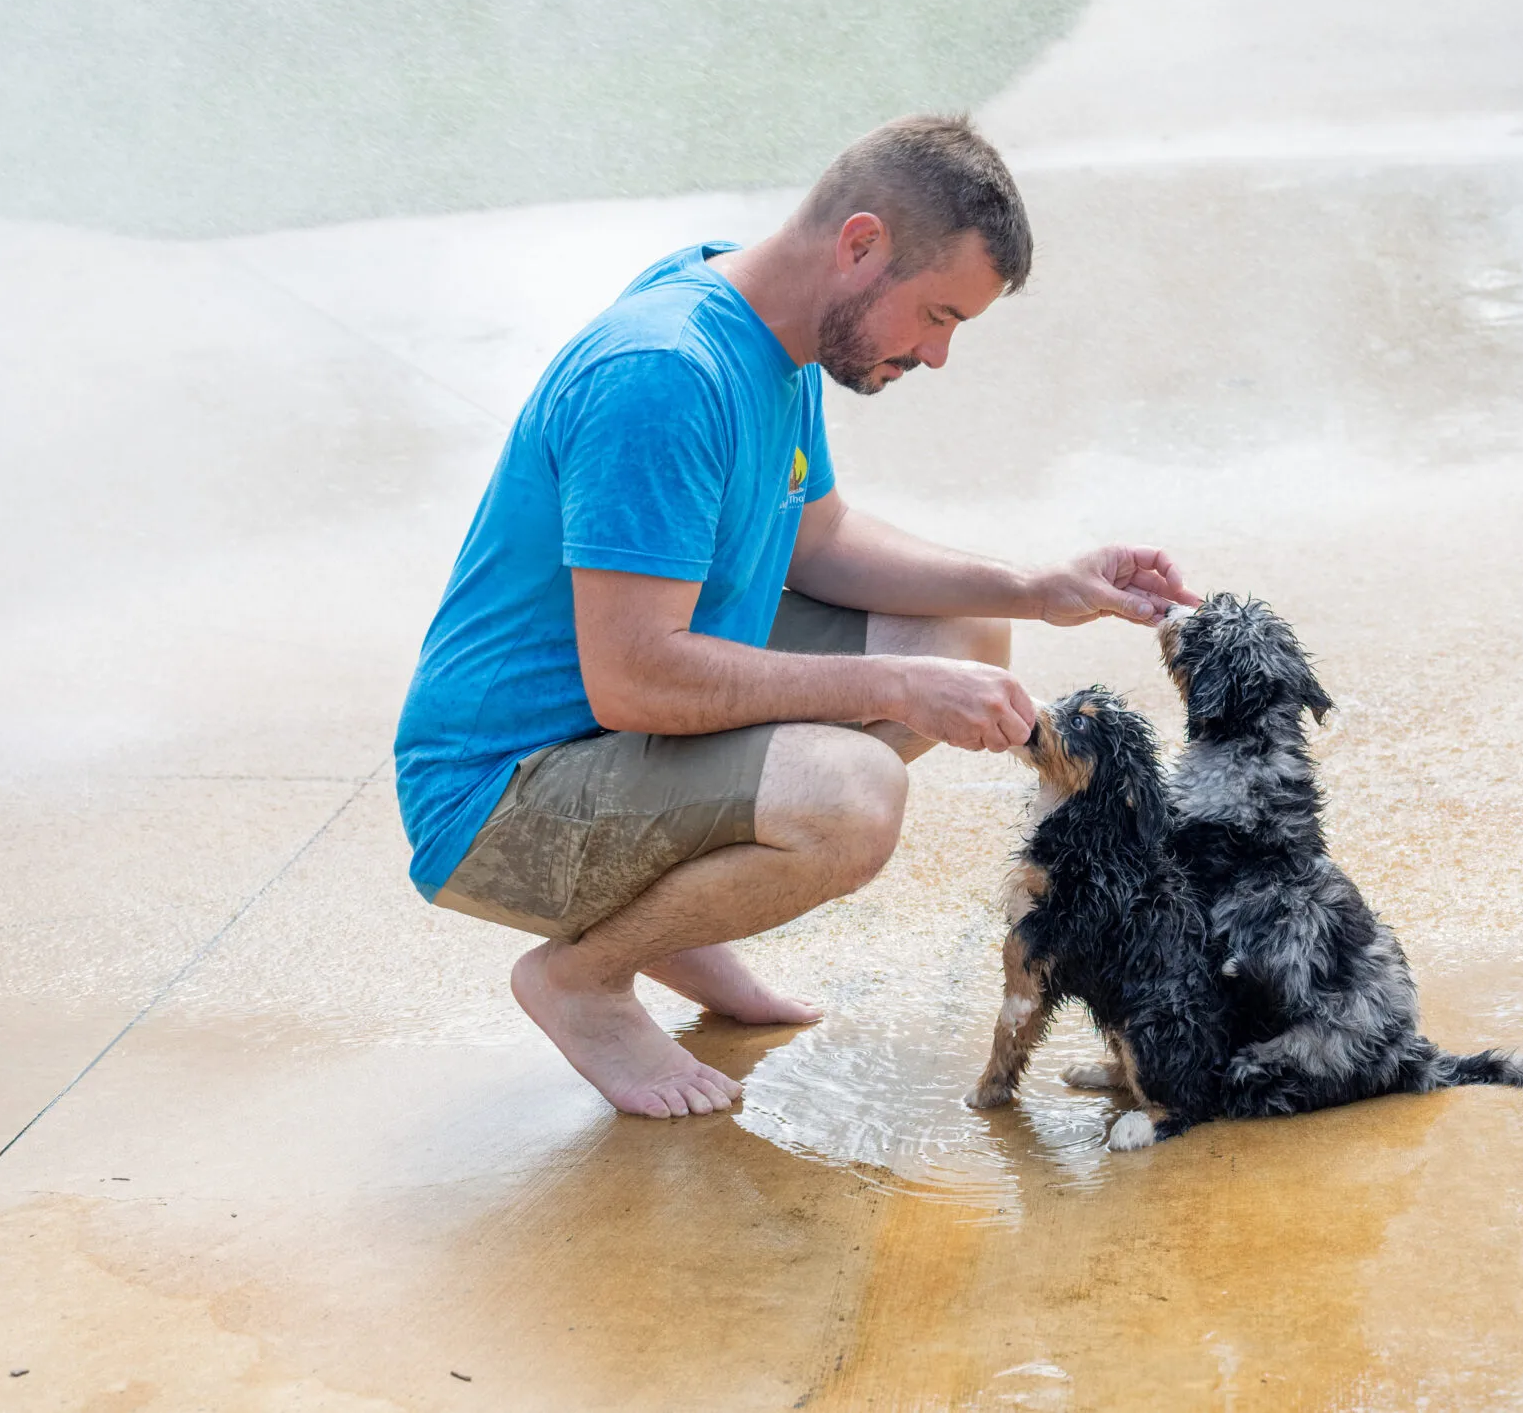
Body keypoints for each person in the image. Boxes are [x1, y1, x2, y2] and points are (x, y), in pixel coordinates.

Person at [395, 115, 1201, 1120]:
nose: (939, 355)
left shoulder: (767, 330)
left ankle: (668, 921)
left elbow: (817, 541)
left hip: (609, 744)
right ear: (860, 245)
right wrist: (893, 688)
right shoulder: (664, 373)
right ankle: (585, 978)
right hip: (498, 803)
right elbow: (635, 678)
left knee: (964, 640)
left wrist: (1038, 588)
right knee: (848, 797)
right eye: (937, 314)